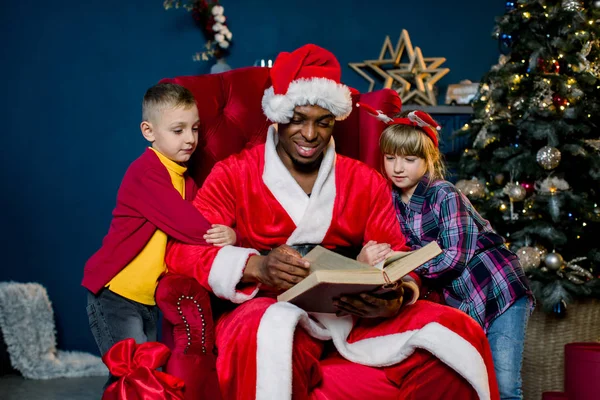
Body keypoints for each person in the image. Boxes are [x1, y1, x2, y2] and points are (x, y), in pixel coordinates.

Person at [166, 44, 500, 400]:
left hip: (351, 313)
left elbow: (396, 251)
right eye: (297, 119)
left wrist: (398, 295)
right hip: (266, 305)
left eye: (322, 123)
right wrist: (256, 267)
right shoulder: (234, 174)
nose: (310, 135)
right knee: (271, 329)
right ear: (277, 115)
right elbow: (183, 252)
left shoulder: (362, 179)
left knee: (454, 331)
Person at [359, 105, 533, 400]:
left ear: (428, 160)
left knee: (504, 386)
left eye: (409, 160)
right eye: (390, 159)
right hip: (463, 300)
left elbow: (454, 258)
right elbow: (390, 244)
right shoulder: (388, 200)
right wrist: (374, 257)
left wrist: (401, 266)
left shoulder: (444, 194)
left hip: (499, 289)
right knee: (474, 381)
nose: (398, 168)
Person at [82, 83, 237, 387]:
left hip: (146, 299)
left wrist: (230, 229)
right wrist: (225, 236)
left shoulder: (184, 179)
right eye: (178, 131)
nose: (191, 139)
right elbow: (188, 224)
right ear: (148, 131)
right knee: (131, 376)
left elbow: (203, 214)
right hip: (115, 294)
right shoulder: (146, 172)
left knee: (146, 375)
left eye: (195, 129)